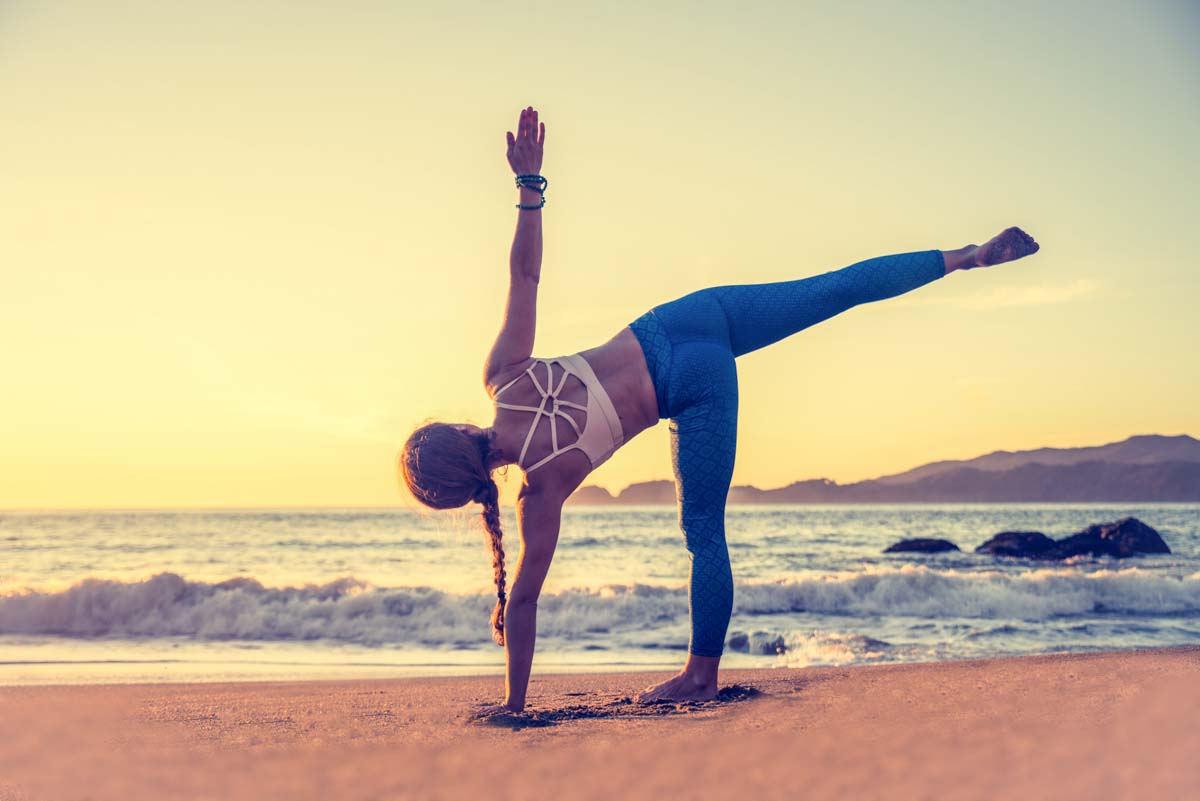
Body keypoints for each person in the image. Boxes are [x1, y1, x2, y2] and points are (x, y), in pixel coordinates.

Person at [399, 105, 1040, 711]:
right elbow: (526, 277)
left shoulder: (540, 496)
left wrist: (514, 704)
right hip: (682, 321)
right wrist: (530, 183)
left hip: (693, 389)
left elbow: (528, 603)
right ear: (455, 430)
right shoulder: (504, 378)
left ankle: (701, 674)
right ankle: (966, 257)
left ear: (462, 495)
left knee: (705, 535)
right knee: (831, 290)